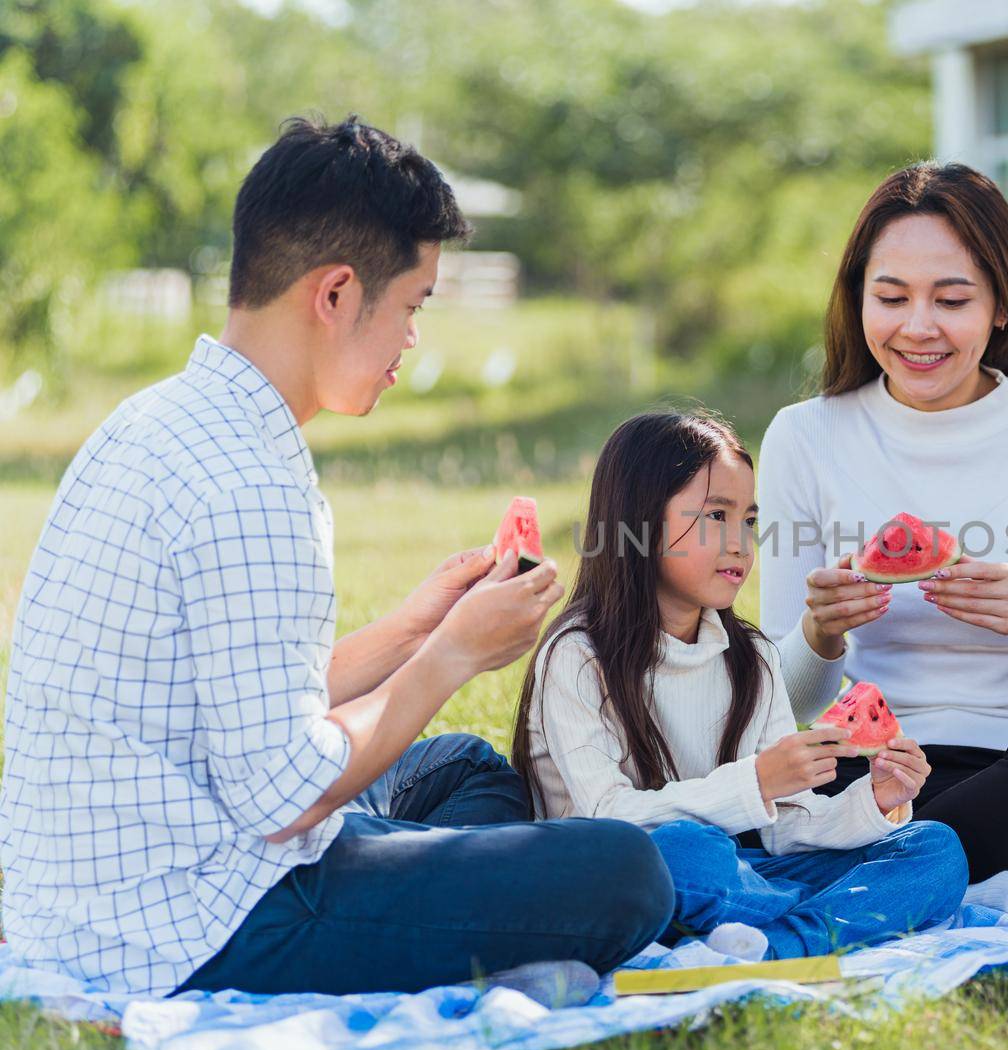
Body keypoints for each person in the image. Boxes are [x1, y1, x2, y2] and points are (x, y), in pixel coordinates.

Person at [0, 116, 672, 998]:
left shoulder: (154, 421)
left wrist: (412, 628)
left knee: (462, 767)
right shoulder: (251, 484)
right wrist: (456, 652)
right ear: (336, 293)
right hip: (202, 927)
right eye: (413, 306)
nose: (412, 340)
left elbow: (238, 711)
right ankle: (468, 938)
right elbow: (284, 795)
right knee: (628, 873)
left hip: (85, 895)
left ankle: (450, 918)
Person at [757, 162, 1008, 903]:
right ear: (858, 300)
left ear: (1001, 306)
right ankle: (926, 885)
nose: (918, 327)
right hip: (868, 775)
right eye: (891, 297)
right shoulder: (803, 437)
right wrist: (820, 636)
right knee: (785, 783)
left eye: (952, 299)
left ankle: (853, 887)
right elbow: (781, 705)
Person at [512, 411, 967, 960]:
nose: (740, 543)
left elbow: (788, 828)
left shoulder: (753, 658)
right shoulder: (577, 657)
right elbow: (608, 819)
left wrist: (872, 800)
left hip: (739, 871)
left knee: (935, 849)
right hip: (615, 878)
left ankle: (772, 945)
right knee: (688, 852)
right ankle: (815, 922)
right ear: (639, 521)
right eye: (715, 517)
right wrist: (756, 782)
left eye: (749, 520)